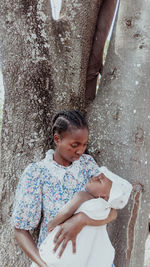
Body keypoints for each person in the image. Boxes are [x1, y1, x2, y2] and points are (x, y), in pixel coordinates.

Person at [12, 110, 117, 267]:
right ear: (57, 139)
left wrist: (81, 220)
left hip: (93, 258)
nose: (80, 151)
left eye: (84, 145)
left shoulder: (88, 165)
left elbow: (112, 213)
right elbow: (20, 229)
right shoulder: (37, 173)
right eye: (74, 145)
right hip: (57, 260)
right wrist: (43, 264)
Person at [30, 168, 132, 267]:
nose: (96, 177)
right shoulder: (105, 210)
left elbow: (66, 212)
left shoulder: (83, 197)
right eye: (99, 176)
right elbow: (112, 214)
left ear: (104, 197)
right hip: (85, 253)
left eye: (100, 180)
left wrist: (53, 223)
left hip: (65, 248)